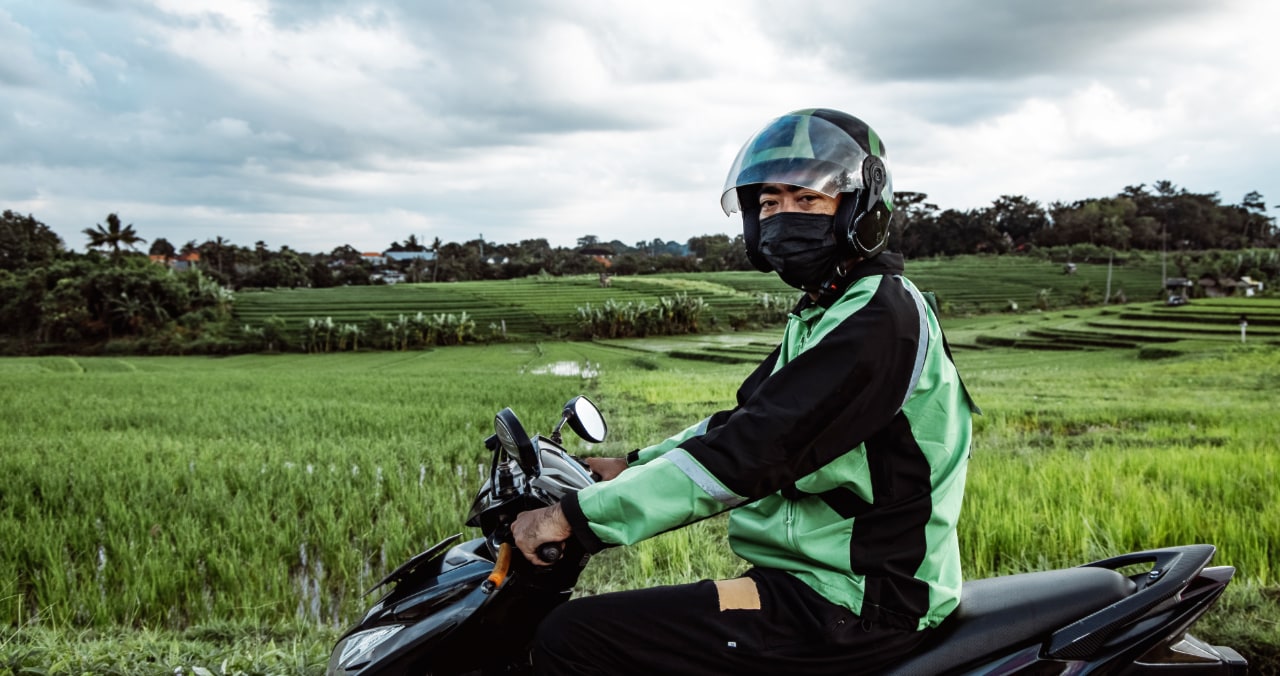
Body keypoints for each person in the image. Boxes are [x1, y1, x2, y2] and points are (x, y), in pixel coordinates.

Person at [513, 108, 978, 675]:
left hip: (858, 602)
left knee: (573, 636)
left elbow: (754, 452)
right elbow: (740, 421)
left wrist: (573, 519)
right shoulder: (828, 310)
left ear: (858, 207)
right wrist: (627, 464)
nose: (784, 215)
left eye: (807, 199)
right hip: (810, 583)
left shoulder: (879, 318)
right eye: (769, 203)